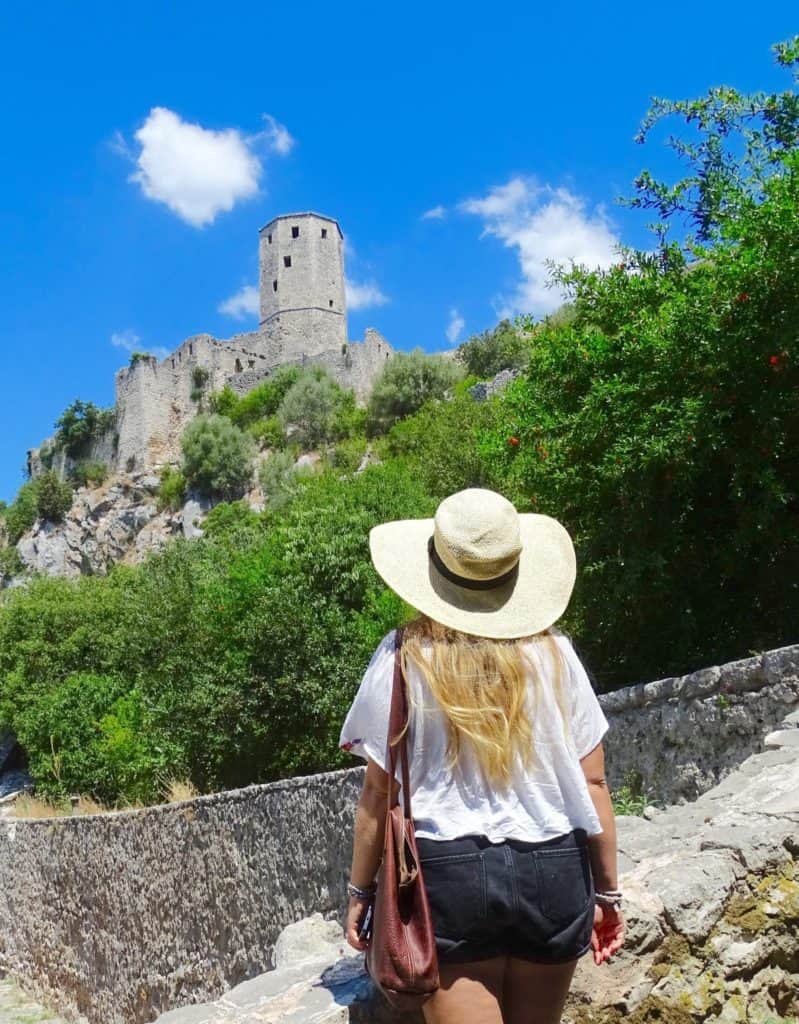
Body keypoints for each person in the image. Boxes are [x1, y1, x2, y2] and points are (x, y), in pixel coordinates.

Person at [339, 488, 625, 1024]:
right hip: (556, 868)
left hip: (448, 875)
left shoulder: (403, 657)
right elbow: (594, 785)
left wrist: (361, 892)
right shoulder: (556, 655)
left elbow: (379, 793)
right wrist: (608, 892)